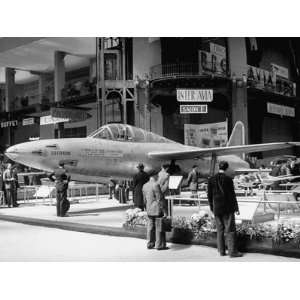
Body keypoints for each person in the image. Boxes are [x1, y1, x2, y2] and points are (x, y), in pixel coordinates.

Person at [207, 161, 243, 258]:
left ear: (219, 167)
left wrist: (212, 207)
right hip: (227, 208)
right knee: (230, 230)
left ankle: (221, 251)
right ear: (226, 168)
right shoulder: (228, 179)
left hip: (216, 208)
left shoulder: (211, 179)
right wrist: (236, 207)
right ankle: (232, 252)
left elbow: (209, 195)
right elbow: (232, 195)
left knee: (220, 230)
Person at [143, 173, 168, 250]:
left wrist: (146, 207)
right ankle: (159, 245)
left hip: (149, 209)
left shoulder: (145, 185)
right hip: (157, 209)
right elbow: (160, 199)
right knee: (159, 227)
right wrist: (165, 211)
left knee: (150, 227)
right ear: (155, 176)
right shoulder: (156, 185)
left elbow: (144, 199)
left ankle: (150, 244)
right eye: (158, 176)